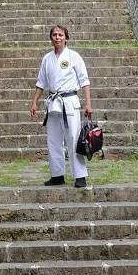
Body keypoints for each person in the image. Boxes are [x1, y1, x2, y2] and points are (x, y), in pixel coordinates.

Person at [29, 25, 93, 188]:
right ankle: (57, 175)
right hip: (53, 103)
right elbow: (41, 82)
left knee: (73, 138)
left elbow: (84, 80)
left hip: (69, 102)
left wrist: (88, 103)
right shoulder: (47, 58)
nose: (57, 37)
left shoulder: (74, 56)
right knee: (53, 140)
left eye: (60, 35)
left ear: (66, 38)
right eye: (54, 35)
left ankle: (80, 176)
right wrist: (35, 102)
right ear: (51, 38)